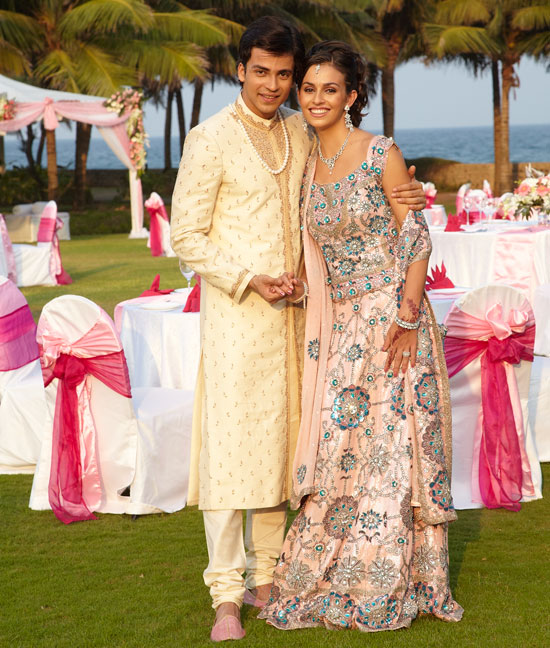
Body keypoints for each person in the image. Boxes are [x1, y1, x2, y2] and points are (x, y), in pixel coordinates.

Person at [170, 19, 427, 642]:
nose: (273, 85)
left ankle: (266, 577)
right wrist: (246, 279)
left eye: (284, 75)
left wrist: (405, 188)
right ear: (240, 70)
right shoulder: (209, 139)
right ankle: (225, 594)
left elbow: (354, 171)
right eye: (261, 72)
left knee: (284, 455)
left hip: (306, 325)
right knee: (231, 456)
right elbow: (185, 236)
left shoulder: (298, 131)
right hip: (238, 322)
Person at [259, 41, 463, 632]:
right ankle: (332, 568)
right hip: (339, 327)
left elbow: (415, 237)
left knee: (393, 450)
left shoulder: (380, 153)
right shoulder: (304, 162)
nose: (316, 98)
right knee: (340, 448)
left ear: (352, 96)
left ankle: (393, 576)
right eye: (308, 88)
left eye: (330, 89)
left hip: (394, 320)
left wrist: (406, 320)